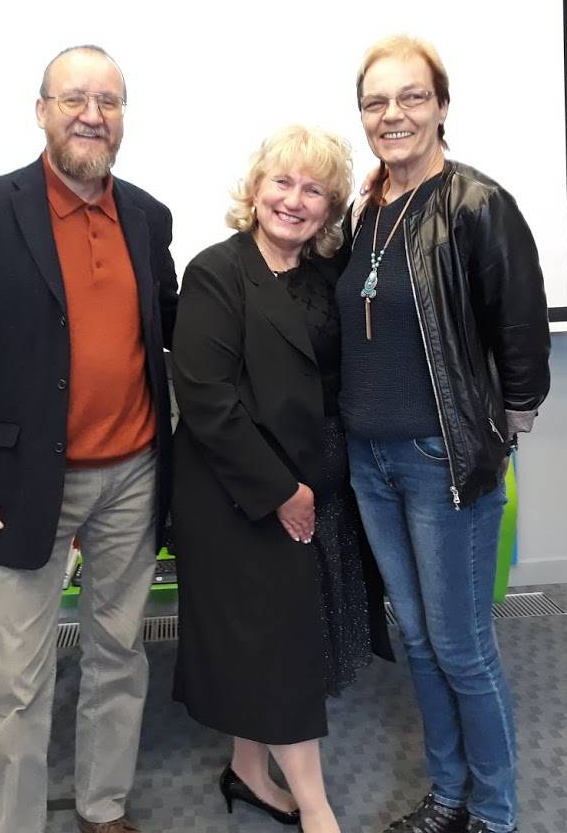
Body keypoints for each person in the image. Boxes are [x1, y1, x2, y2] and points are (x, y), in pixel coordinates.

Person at [0, 44, 178, 833]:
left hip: (133, 473)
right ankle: (13, 823)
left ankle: (103, 808)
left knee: (118, 655)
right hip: (24, 480)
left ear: (123, 118)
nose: (92, 115)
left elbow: (168, 334)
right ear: (41, 111)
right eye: (74, 99)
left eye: (108, 102)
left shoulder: (147, 216)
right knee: (18, 678)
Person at [337, 35, 550, 833]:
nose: (391, 115)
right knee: (421, 644)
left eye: (410, 97)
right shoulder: (366, 208)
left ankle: (493, 815)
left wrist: (502, 430)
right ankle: (448, 798)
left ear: (441, 106)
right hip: (369, 462)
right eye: (375, 102)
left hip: (440, 463)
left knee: (461, 648)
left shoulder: (476, 204)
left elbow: (519, 328)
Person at [170, 125, 393, 833]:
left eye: (314, 190)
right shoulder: (216, 271)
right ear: (254, 187)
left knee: (268, 640)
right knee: (283, 646)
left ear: (330, 208)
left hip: (318, 481)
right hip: (239, 492)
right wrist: (280, 493)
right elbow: (207, 401)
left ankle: (247, 770)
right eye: (282, 182)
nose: (293, 201)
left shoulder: (327, 275)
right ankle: (317, 808)